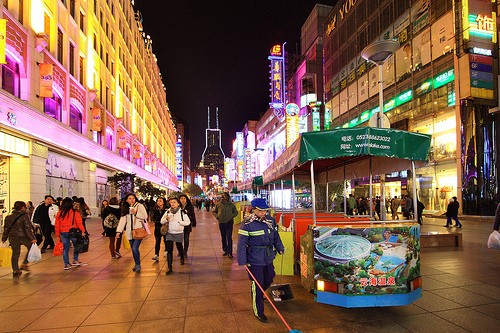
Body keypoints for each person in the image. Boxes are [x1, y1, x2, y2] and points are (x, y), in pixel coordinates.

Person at [237, 198, 284, 323]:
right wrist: (242, 261)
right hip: (254, 258)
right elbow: (241, 244)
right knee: (258, 284)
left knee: (269, 277)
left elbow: (276, 236)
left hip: (268, 256)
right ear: (253, 210)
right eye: (260, 211)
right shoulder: (247, 224)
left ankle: (258, 292)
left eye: (265, 210)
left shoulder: (271, 221)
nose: (263, 213)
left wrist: (280, 247)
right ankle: (259, 311)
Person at [2, 201, 37, 276]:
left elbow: (6, 229)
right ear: (22, 207)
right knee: (31, 248)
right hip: (23, 237)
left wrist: (4, 238)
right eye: (24, 207)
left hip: (13, 237)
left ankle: (15, 270)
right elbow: (27, 228)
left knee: (15, 253)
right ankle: (24, 263)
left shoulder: (8, 217)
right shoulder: (25, 216)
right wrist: (32, 238)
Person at [116, 193, 148, 272]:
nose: (131, 200)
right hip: (129, 232)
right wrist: (118, 231)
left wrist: (135, 213)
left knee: (134, 248)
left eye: (133, 198)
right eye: (129, 198)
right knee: (133, 249)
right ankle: (136, 263)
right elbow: (123, 220)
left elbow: (145, 216)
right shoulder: (125, 208)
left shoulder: (139, 206)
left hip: (138, 231)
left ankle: (138, 265)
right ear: (126, 200)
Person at [161, 197, 191, 275]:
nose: (172, 204)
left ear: (178, 203)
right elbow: (162, 221)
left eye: (174, 202)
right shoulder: (167, 211)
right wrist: (166, 219)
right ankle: (169, 267)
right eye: (171, 202)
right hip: (169, 232)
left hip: (178, 232)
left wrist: (179, 222)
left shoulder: (182, 212)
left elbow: (188, 222)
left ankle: (182, 257)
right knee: (169, 250)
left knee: (179, 246)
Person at [54, 197, 86, 270]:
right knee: (77, 246)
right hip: (73, 232)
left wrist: (57, 235)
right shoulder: (75, 212)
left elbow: (57, 225)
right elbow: (79, 223)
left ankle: (66, 264)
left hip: (63, 232)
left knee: (65, 249)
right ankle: (75, 260)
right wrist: (82, 231)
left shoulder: (59, 213)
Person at [213, 192, 238, 259]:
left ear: (227, 197)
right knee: (223, 237)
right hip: (221, 223)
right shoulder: (218, 204)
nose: (223, 197)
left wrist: (231, 216)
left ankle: (230, 252)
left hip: (229, 223)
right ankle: (225, 250)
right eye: (222, 196)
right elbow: (214, 211)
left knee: (229, 237)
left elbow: (236, 212)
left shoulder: (231, 205)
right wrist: (217, 216)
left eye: (224, 196)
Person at [151, 197, 168, 261]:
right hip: (157, 227)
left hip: (165, 227)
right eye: (158, 201)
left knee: (166, 240)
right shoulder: (155, 209)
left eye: (160, 201)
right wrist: (157, 220)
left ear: (163, 202)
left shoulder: (167, 209)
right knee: (157, 241)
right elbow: (153, 217)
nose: (159, 202)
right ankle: (156, 254)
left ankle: (166, 251)